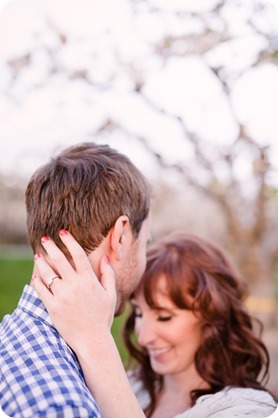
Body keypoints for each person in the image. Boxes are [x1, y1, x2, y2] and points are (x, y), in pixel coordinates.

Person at [33, 232, 277, 418]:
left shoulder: (250, 409)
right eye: (139, 313)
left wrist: (95, 343)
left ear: (215, 316)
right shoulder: (130, 384)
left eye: (164, 317)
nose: (144, 338)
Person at [0, 142, 151, 418]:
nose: (145, 260)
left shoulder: (15, 340)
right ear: (120, 237)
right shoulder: (62, 405)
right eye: (145, 244)